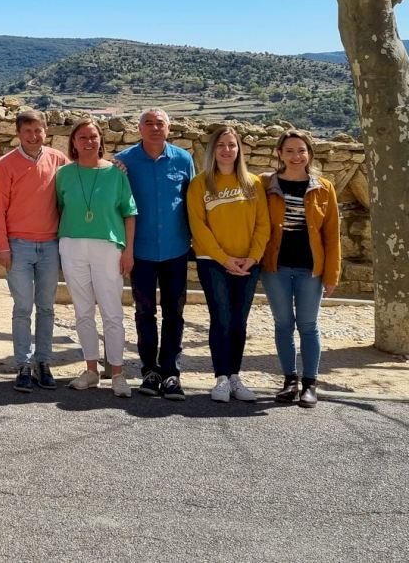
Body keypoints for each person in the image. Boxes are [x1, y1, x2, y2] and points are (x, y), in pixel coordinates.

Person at [114, 109, 196, 401]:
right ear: (139, 128)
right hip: (141, 251)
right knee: (144, 312)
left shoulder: (183, 159)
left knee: (174, 313)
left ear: (168, 128)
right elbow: (116, 203)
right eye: (148, 123)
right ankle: (150, 370)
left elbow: (191, 200)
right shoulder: (123, 161)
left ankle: (171, 372)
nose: (154, 128)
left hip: (176, 249)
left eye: (160, 123)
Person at [187, 125, 270, 403]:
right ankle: (221, 378)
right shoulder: (200, 184)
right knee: (221, 318)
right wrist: (224, 259)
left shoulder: (253, 183)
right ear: (212, 150)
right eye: (221, 145)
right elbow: (198, 227)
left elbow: (263, 224)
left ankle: (235, 376)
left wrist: (252, 258)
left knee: (239, 321)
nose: (226, 150)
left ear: (239, 149)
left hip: (248, 263)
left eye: (232, 145)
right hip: (213, 262)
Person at [56, 117, 137, 398]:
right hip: (72, 245)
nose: (88, 142)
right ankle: (91, 370)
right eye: (82, 137)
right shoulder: (64, 174)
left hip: (108, 247)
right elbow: (60, 207)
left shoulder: (116, 173)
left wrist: (128, 251)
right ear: (74, 142)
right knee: (83, 311)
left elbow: (129, 213)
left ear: (101, 140)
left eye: (93, 136)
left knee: (112, 311)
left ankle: (117, 373)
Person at [260, 129, 341, 408]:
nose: (296, 156)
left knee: (308, 325)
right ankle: (289, 381)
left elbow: (332, 235)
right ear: (280, 154)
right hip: (275, 267)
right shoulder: (266, 184)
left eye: (301, 150)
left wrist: (332, 274)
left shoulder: (324, 188)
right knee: (283, 324)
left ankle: (310, 384)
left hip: (311, 269)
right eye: (290, 151)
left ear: (310, 154)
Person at [0, 108, 68, 392]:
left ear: (46, 131)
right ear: (18, 133)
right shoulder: (6, 164)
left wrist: (114, 165)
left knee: (46, 307)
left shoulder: (59, 160)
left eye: (38, 130)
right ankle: (23, 364)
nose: (33, 136)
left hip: (50, 246)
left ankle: (43, 362)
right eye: (27, 131)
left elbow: (81, 181)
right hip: (18, 247)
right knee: (22, 307)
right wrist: (2, 247)